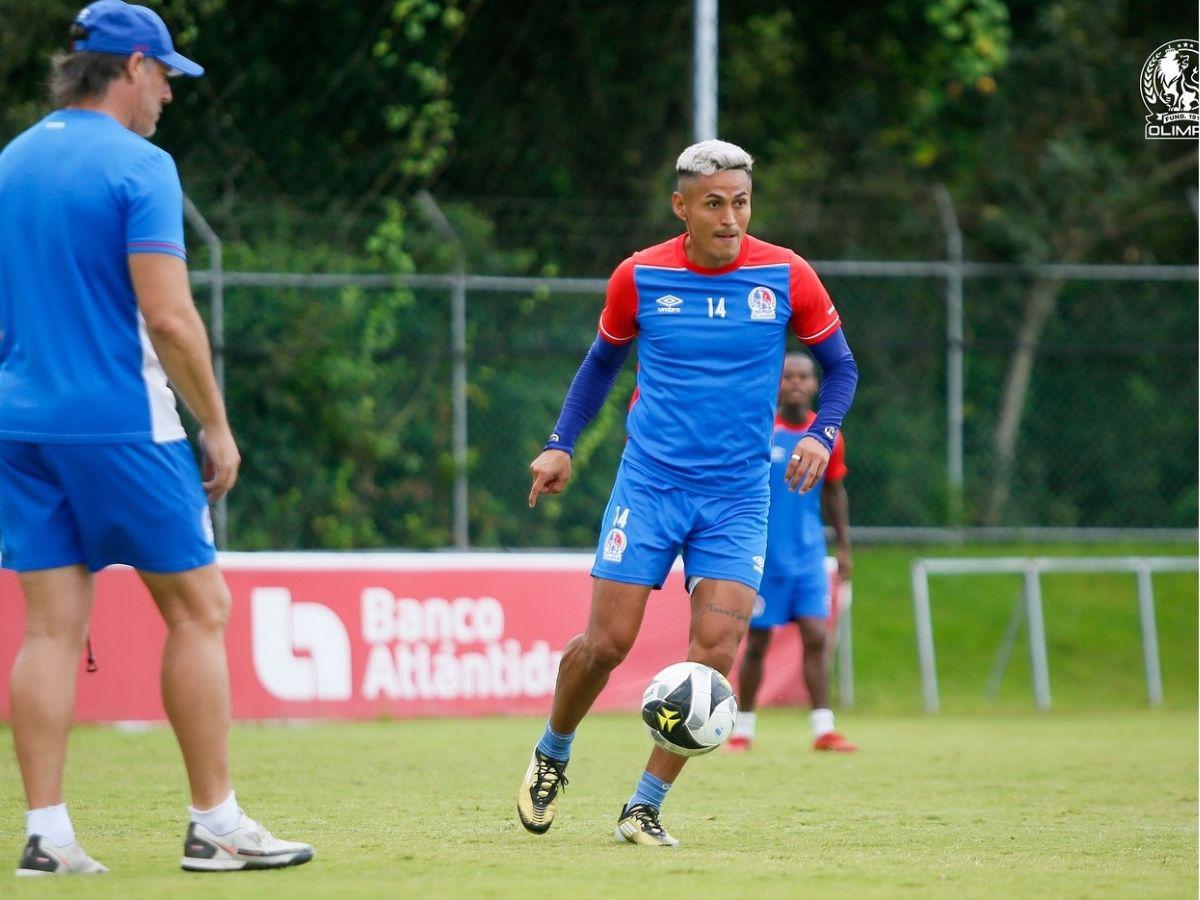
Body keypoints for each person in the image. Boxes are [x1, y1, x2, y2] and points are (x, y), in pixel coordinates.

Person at [0, 1, 312, 875]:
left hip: (19, 422)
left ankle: (47, 836)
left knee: (50, 630)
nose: (169, 96)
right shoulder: (140, 166)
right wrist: (215, 423)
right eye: (167, 77)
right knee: (200, 608)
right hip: (121, 422)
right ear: (134, 66)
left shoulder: (11, 162)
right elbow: (169, 318)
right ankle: (216, 825)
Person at [518, 139, 858, 846]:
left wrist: (821, 433)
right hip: (651, 486)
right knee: (606, 645)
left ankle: (643, 807)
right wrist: (561, 442)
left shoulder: (787, 274)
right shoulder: (639, 275)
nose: (730, 218)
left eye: (741, 203)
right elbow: (600, 365)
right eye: (714, 204)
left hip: (738, 497)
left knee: (716, 651)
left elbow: (842, 367)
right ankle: (553, 752)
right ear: (682, 207)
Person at [723, 351, 857, 753]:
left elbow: (834, 491)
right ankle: (743, 728)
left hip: (808, 556)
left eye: (804, 376)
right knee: (758, 642)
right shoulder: (760, 430)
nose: (796, 382)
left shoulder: (826, 434)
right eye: (788, 376)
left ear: (815, 384)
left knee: (816, 634)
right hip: (763, 557)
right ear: (776, 382)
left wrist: (844, 547)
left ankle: (823, 728)